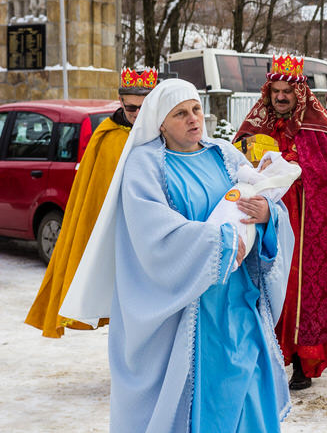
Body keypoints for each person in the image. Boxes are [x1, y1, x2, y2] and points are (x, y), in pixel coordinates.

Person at [61, 78, 293, 432]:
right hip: (185, 309)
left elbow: (261, 200)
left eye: (196, 109)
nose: (193, 119)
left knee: (246, 393)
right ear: (161, 122)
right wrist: (221, 243)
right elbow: (153, 234)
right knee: (200, 403)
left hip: (236, 304)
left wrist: (266, 215)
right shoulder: (145, 165)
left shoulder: (224, 154)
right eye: (181, 113)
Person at [234, 54, 327, 390]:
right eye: (274, 91)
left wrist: (292, 167)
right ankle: (262, 359)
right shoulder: (256, 124)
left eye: (286, 91)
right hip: (262, 225)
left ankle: (301, 364)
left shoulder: (320, 128)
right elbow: (236, 161)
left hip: (304, 228)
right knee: (260, 290)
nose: (279, 97)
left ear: (300, 92)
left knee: (296, 294)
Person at [25, 69, 156, 338]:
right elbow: (93, 192)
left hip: (150, 232)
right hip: (117, 234)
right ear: (120, 102)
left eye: (144, 107)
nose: (137, 113)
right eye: (131, 107)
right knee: (121, 306)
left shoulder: (161, 134)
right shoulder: (106, 137)